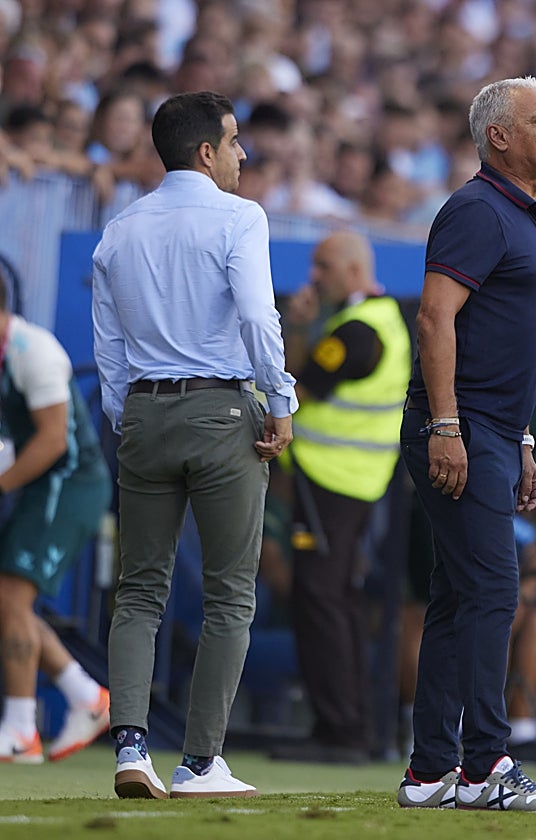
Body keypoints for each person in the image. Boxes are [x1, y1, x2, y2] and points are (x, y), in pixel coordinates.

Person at [92, 91, 297, 800]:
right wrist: (282, 399)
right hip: (222, 410)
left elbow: (110, 350)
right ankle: (201, 761)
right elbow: (256, 315)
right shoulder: (241, 216)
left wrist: (133, 417)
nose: (244, 154)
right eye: (236, 142)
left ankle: (129, 744)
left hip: (144, 413)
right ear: (206, 152)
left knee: (138, 592)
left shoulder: (119, 227)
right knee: (229, 595)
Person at [393, 76, 536, 814]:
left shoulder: (530, 216)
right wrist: (447, 426)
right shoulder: (475, 210)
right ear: (498, 136)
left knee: (457, 597)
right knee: (495, 591)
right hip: (459, 427)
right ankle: (484, 767)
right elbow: (435, 319)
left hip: (493, 432)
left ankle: (430, 770)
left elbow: (506, 342)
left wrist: (522, 438)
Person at [269, 229, 410, 764]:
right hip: (351, 482)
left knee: (323, 601)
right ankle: (349, 727)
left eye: (324, 266)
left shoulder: (356, 332)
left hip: (334, 482)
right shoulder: (380, 318)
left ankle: (341, 731)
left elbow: (297, 390)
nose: (314, 276)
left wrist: (296, 327)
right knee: (337, 602)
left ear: (353, 271)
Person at [0, 286, 113, 764]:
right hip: (42, 488)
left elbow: (50, 442)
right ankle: (86, 696)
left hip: (70, 487)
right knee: (9, 603)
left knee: (10, 600)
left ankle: (22, 730)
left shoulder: (35, 351)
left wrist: (2, 485)